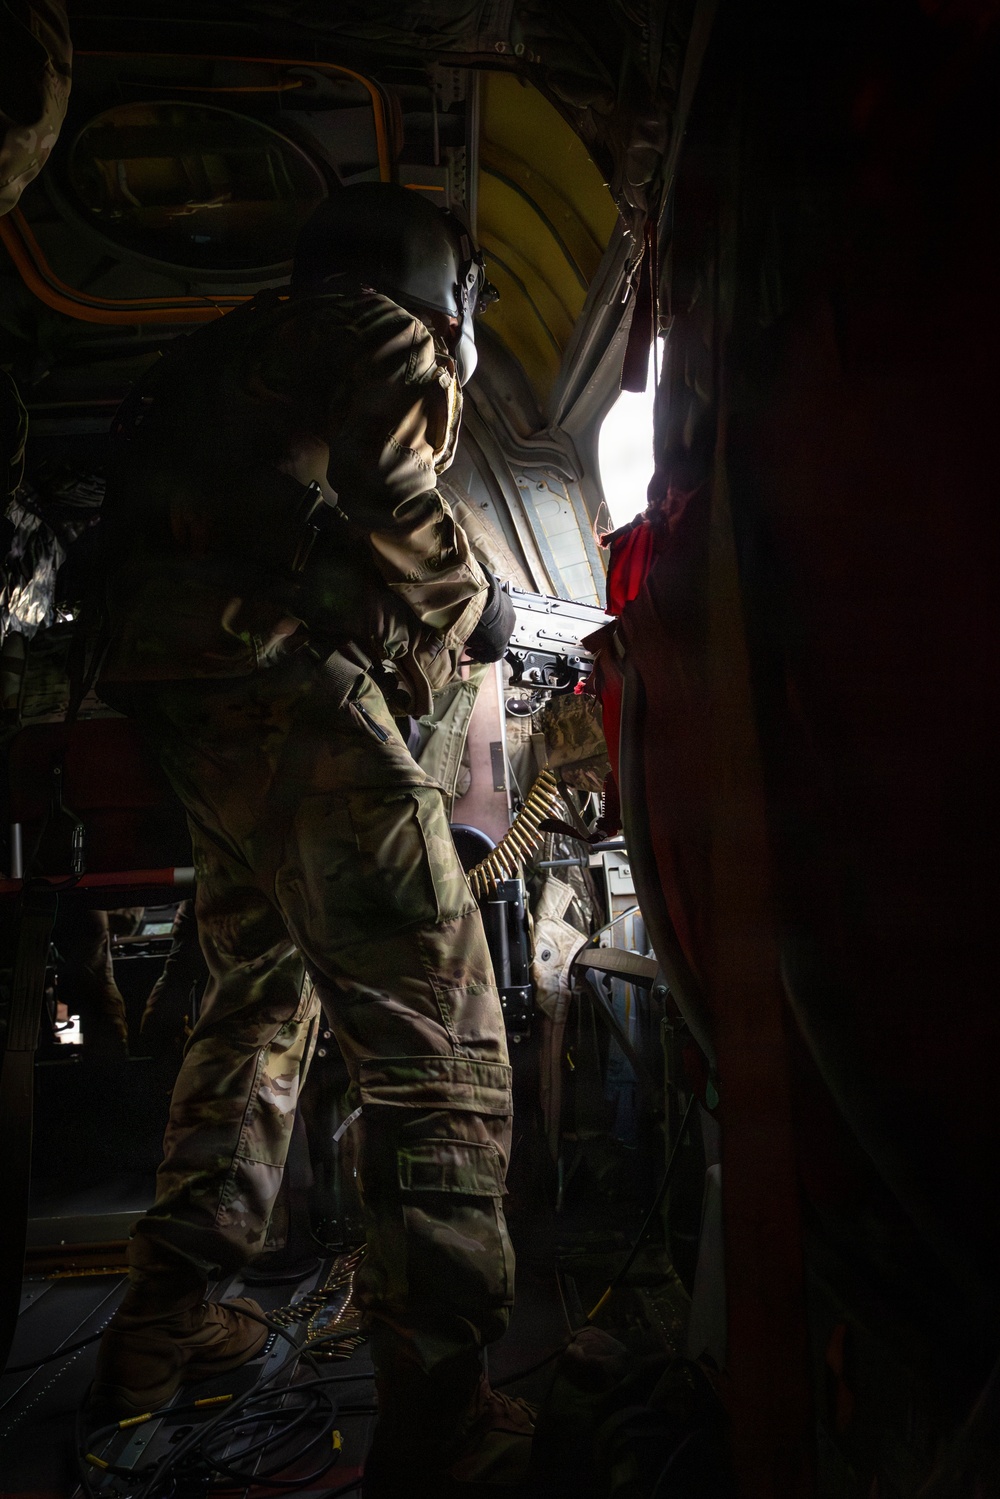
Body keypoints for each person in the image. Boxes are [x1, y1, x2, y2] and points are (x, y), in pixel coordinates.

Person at [89, 183, 531, 1494]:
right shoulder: (378, 330)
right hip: (284, 694)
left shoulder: (214, 362)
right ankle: (441, 1417)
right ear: (438, 280)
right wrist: (477, 607)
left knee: (257, 1020)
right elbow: (392, 488)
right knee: (437, 1039)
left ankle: (158, 1342)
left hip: (193, 709)